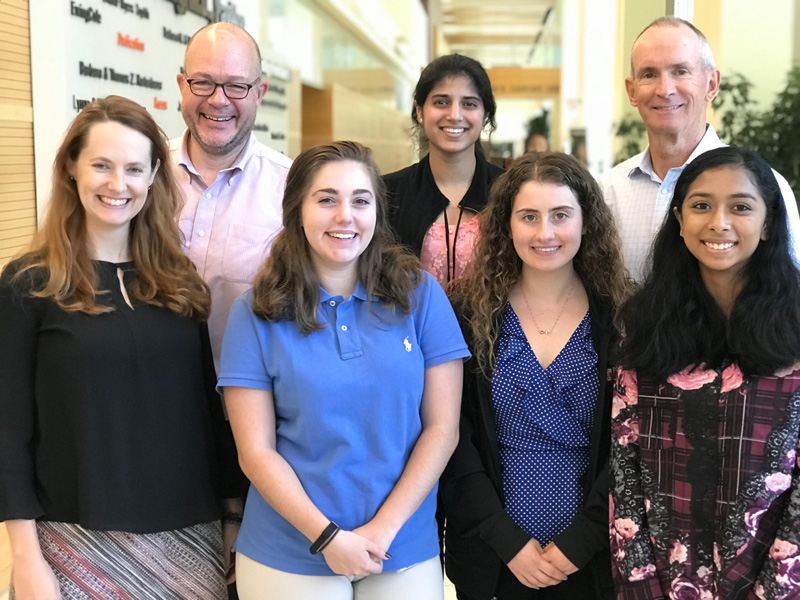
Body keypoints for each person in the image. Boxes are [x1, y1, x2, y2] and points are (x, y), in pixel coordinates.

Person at [0, 96, 244, 599]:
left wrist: (232, 517)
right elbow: (9, 430)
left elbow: (206, 409)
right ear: (71, 167)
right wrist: (24, 556)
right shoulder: (30, 284)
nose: (118, 184)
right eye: (101, 166)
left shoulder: (179, 282)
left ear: (155, 173)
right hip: (72, 540)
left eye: (134, 168)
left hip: (190, 538)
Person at [217, 141, 469, 599]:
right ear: (297, 209)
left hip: (401, 544)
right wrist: (327, 537)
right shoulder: (255, 312)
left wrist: (382, 530)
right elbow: (256, 452)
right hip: (290, 547)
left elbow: (442, 430)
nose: (344, 216)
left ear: (377, 210)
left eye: (360, 200)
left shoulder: (421, 296)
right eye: (326, 199)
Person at [610, 147, 800, 599]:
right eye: (701, 206)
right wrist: (642, 586)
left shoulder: (796, 330)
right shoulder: (643, 327)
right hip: (660, 581)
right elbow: (624, 467)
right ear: (678, 219)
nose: (719, 222)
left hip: (772, 583)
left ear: (769, 221)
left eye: (740, 206)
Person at [442, 152, 633, 600]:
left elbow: (635, 444)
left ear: (587, 222)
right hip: (492, 558)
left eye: (561, 215)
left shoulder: (624, 318)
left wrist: (580, 542)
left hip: (595, 558)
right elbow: (452, 437)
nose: (545, 233)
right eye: (529, 216)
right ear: (507, 226)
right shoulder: (468, 315)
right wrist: (507, 542)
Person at [600, 17, 800, 281]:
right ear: (632, 91)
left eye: (681, 72)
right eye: (649, 74)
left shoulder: (765, 188)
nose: (665, 89)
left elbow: (787, 294)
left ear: (712, 84)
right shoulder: (607, 192)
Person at [173, 21, 292, 371]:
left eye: (236, 86)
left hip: (246, 407)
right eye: (203, 82)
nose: (218, 99)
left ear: (259, 92)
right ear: (182, 85)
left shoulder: (292, 189)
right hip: (151, 400)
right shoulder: (142, 176)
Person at [384, 54, 504, 287]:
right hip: (409, 323)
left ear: (485, 115)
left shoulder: (511, 190)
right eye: (441, 102)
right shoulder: (387, 193)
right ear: (420, 111)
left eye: (469, 103)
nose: (454, 115)